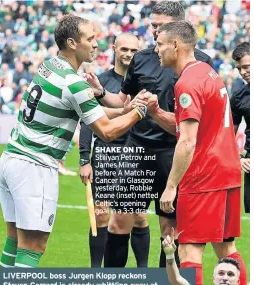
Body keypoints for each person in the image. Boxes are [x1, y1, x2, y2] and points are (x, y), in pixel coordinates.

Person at [0, 14, 148, 268]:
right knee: (34, 246)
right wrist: (139, 111)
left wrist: (124, 110)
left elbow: (92, 113)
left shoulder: (51, 66)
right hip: (35, 167)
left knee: (14, 242)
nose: (96, 44)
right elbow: (107, 131)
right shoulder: (74, 83)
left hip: (11, 159)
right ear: (72, 43)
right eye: (90, 38)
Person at [86, 0, 213, 269]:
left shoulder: (200, 62)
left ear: (179, 26)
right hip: (138, 150)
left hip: (175, 153)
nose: (154, 30)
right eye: (152, 24)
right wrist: (99, 92)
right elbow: (122, 102)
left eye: (160, 25)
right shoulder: (142, 58)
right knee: (119, 220)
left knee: (170, 229)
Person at [155, 21, 247, 285]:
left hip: (203, 176)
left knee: (189, 251)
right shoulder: (208, 72)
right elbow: (192, 126)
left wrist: (171, 187)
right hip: (227, 172)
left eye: (160, 44)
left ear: (175, 45)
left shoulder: (187, 83)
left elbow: (187, 140)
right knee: (226, 248)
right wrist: (156, 112)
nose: (156, 49)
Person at [79, 33, 150, 268]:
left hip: (134, 156)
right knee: (101, 215)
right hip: (106, 154)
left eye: (133, 50)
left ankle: (143, 273)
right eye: (124, 49)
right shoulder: (100, 81)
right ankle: (95, 272)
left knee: (139, 217)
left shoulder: (144, 82)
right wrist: (84, 160)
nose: (129, 54)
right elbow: (88, 121)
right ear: (114, 49)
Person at [231, 42, 250, 214]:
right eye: (239, 69)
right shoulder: (239, 97)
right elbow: (229, 133)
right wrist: (238, 157)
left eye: (247, 66)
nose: (243, 72)